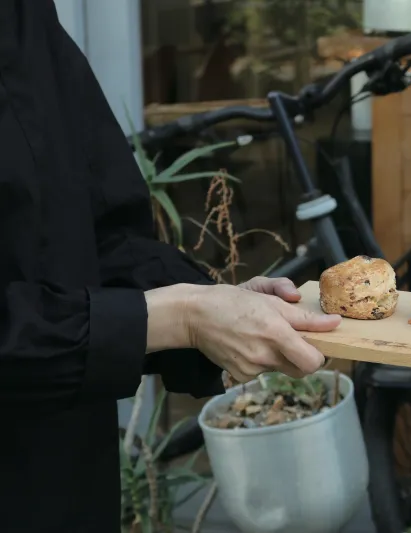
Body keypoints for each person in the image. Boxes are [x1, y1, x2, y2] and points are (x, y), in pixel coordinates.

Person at [0, 1, 342, 531]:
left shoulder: (23, 19)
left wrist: (214, 310)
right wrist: (180, 315)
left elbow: (105, 234)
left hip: (66, 478)